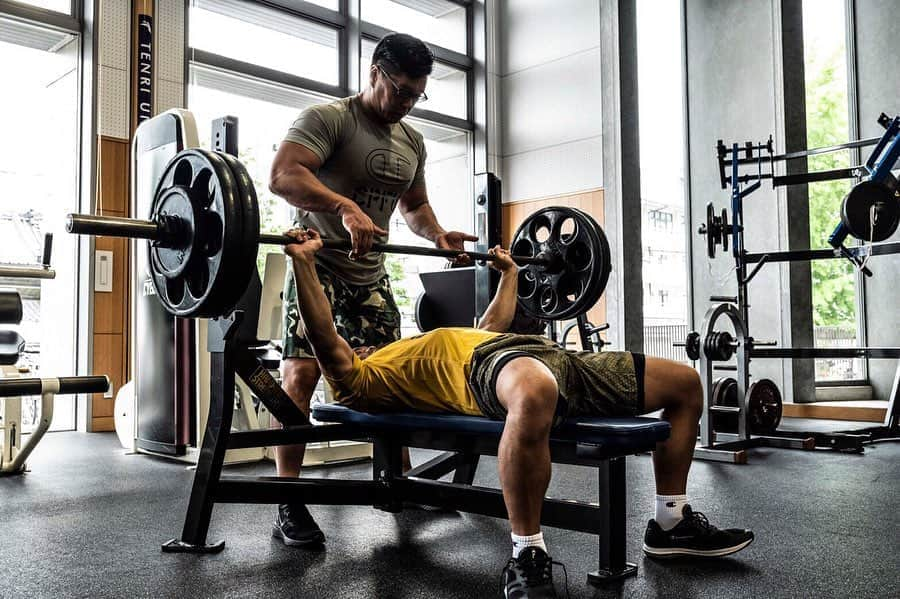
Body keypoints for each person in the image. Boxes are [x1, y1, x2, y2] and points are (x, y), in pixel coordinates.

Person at [282, 228, 755, 599]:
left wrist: (509, 274)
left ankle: (670, 523)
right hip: (489, 371)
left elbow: (490, 325)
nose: (357, 341)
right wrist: (304, 264)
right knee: (532, 395)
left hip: (546, 356)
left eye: (356, 340)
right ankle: (527, 554)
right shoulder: (360, 382)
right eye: (350, 345)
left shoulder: (408, 344)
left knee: (686, 384)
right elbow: (323, 333)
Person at [268, 32, 477, 546]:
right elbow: (282, 176)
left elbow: (414, 207)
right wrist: (343, 205)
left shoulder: (413, 141)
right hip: (318, 267)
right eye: (400, 89)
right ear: (374, 74)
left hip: (372, 278)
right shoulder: (330, 119)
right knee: (298, 378)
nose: (405, 102)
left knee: (392, 379)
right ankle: (287, 499)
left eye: (415, 94)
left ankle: (396, 480)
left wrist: (438, 234)